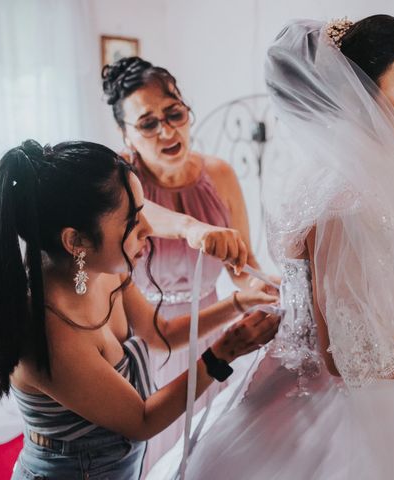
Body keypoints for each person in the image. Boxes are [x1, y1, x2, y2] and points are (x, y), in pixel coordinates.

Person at [150, 15, 394, 479]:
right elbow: (350, 359)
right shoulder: (349, 199)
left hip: (297, 391)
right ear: (357, 95)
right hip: (335, 417)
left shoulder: (327, 182)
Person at [0, 139, 280, 479]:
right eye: (133, 220)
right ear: (75, 241)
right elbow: (142, 420)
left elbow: (160, 335)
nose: (148, 231)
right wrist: (226, 350)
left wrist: (241, 301)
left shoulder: (105, 274)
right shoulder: (47, 336)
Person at [101, 57, 278, 470]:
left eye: (174, 113)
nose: (167, 130)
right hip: (149, 339)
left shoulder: (220, 174)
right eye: (147, 123)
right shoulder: (116, 179)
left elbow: (240, 263)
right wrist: (190, 227)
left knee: (213, 456)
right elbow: (143, 213)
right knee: (159, 458)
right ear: (125, 133)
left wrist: (262, 285)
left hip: (213, 327)